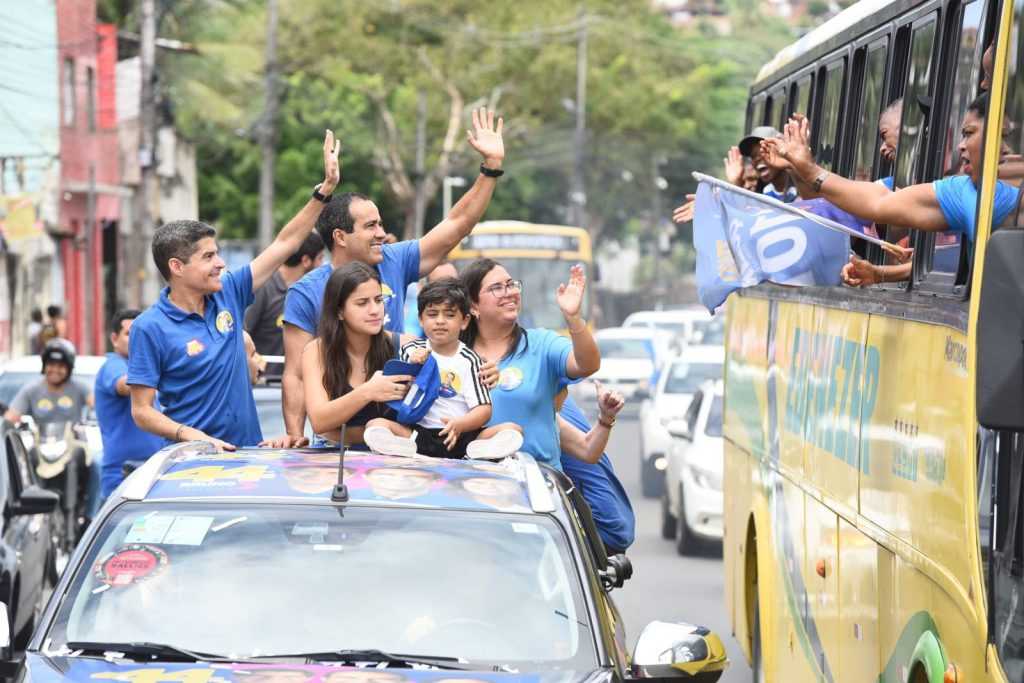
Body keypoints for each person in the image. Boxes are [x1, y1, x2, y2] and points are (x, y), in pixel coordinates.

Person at [282, 107, 507, 445]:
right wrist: (293, 437)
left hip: (396, 435)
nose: (381, 233)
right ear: (340, 237)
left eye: (378, 299)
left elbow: (456, 226)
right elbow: (297, 378)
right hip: (334, 446)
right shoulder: (306, 298)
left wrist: (490, 169)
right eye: (370, 226)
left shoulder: (394, 266)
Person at [128, 129, 342, 451]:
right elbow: (142, 411)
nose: (220, 263)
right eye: (208, 256)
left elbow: (284, 243)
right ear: (176, 267)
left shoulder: (228, 292)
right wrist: (190, 435)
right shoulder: (149, 327)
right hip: (192, 462)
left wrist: (324, 192)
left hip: (247, 459)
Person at [769, 93, 1018, 287]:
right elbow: (877, 204)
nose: (961, 146)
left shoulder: (1005, 195)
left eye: (969, 133)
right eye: (963, 135)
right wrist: (807, 170)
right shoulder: (961, 191)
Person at [460, 260, 600, 468]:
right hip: (473, 484)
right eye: (497, 288)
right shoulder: (454, 357)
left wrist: (573, 318)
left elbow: (588, 364)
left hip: (538, 488)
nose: (509, 293)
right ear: (472, 306)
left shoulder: (541, 344)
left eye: (511, 284)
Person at [363, 278, 523, 459]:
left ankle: (476, 452)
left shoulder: (471, 360)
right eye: (432, 314)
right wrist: (414, 365)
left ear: (464, 321)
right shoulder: (410, 349)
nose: (440, 321)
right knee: (376, 424)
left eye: (449, 315)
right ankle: (404, 448)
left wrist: (461, 424)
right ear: (421, 320)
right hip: (418, 433)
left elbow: (484, 409)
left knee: (512, 429)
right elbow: (398, 387)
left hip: (462, 437)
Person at [301, 262, 410, 448]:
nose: (375, 310)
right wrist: (368, 391)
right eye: (362, 303)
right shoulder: (316, 351)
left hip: (394, 462)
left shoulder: (406, 346)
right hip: (333, 460)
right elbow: (319, 421)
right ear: (339, 311)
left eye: (378, 300)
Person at [94, 310, 166, 498]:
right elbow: (124, 384)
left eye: (140, 334)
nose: (135, 340)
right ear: (114, 338)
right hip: (124, 472)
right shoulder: (114, 365)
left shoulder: (145, 366)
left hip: (152, 468)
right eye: (129, 334)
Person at [557, 384, 635, 555]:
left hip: (602, 528)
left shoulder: (536, 408)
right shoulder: (539, 397)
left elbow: (587, 450)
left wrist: (606, 419)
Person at [244, 231, 323, 356]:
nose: (322, 265)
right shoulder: (263, 288)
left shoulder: (312, 291)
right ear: (306, 261)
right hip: (266, 375)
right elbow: (243, 334)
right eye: (320, 258)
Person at [4, 340, 91, 426]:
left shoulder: (80, 388)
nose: (55, 370)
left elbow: (97, 404)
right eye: (51, 364)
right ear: (44, 366)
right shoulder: (31, 390)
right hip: (40, 439)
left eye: (61, 366)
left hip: (74, 439)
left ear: (69, 369)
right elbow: (11, 417)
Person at [738, 126, 799, 202]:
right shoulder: (763, 193)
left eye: (764, 151)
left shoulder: (801, 188)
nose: (757, 159)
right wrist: (736, 182)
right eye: (753, 156)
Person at [403, 261, 460, 337]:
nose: (446, 290)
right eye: (438, 285)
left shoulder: (470, 309)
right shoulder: (418, 310)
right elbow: (409, 335)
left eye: (452, 284)